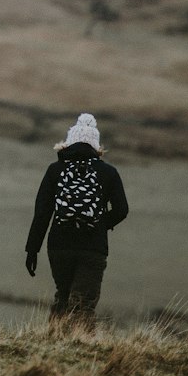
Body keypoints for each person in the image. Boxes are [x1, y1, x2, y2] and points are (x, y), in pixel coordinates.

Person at [25, 112, 128, 330]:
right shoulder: (108, 172)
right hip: (92, 248)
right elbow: (122, 209)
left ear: (69, 142)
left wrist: (32, 250)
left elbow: (42, 213)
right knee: (83, 304)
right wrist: (100, 223)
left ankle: (53, 344)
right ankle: (82, 349)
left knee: (63, 296)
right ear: (96, 145)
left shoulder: (55, 171)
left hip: (59, 246)